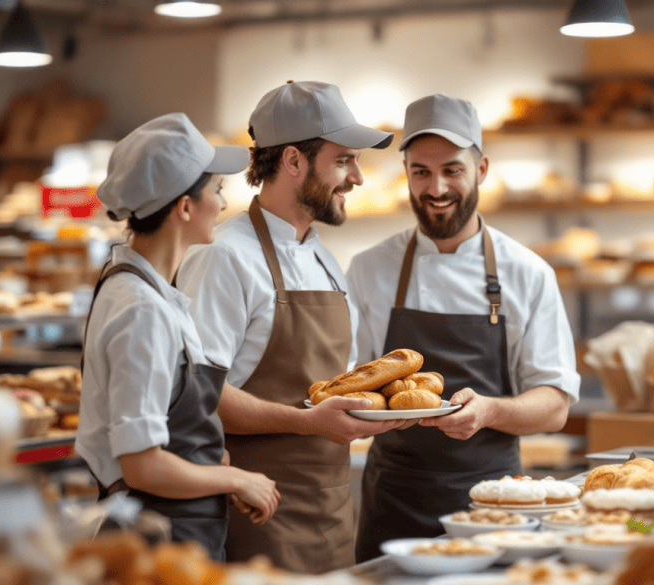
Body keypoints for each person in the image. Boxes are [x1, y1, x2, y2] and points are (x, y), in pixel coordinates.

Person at [176, 81, 402, 572]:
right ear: (294, 161)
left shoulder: (324, 260)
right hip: (256, 517)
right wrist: (306, 422)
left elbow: (331, 387)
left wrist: (376, 407)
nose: (358, 178)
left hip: (333, 514)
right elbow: (199, 396)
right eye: (344, 160)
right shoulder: (223, 257)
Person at [347, 94, 582, 561]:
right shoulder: (370, 269)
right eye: (421, 171)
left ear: (481, 170)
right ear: (407, 175)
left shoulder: (528, 273)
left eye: (452, 169)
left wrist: (489, 412)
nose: (436, 187)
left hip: (494, 504)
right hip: (395, 502)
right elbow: (354, 382)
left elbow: (554, 406)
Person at [76, 113, 281, 561]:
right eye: (217, 191)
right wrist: (235, 479)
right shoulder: (141, 310)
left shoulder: (151, 291)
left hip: (181, 528)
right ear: (184, 207)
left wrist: (216, 468)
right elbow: (143, 465)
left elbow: (169, 426)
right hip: (155, 538)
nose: (224, 205)